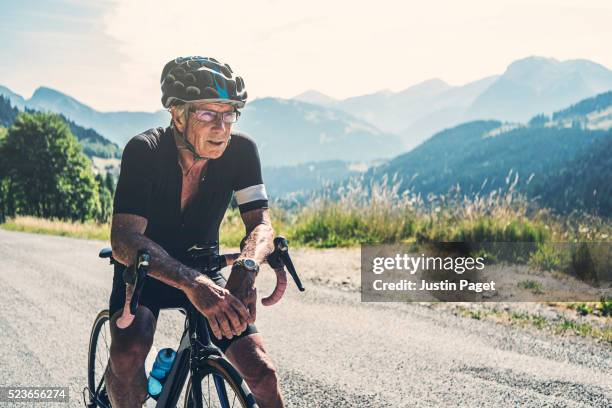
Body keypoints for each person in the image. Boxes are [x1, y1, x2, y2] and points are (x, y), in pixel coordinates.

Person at [105, 56, 285, 408]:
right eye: (207, 114)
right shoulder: (145, 151)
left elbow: (261, 225)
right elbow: (124, 239)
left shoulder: (242, 152)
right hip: (147, 272)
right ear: (177, 113)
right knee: (128, 355)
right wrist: (192, 283)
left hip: (206, 269)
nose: (222, 127)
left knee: (262, 373)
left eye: (229, 114)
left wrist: (247, 267)